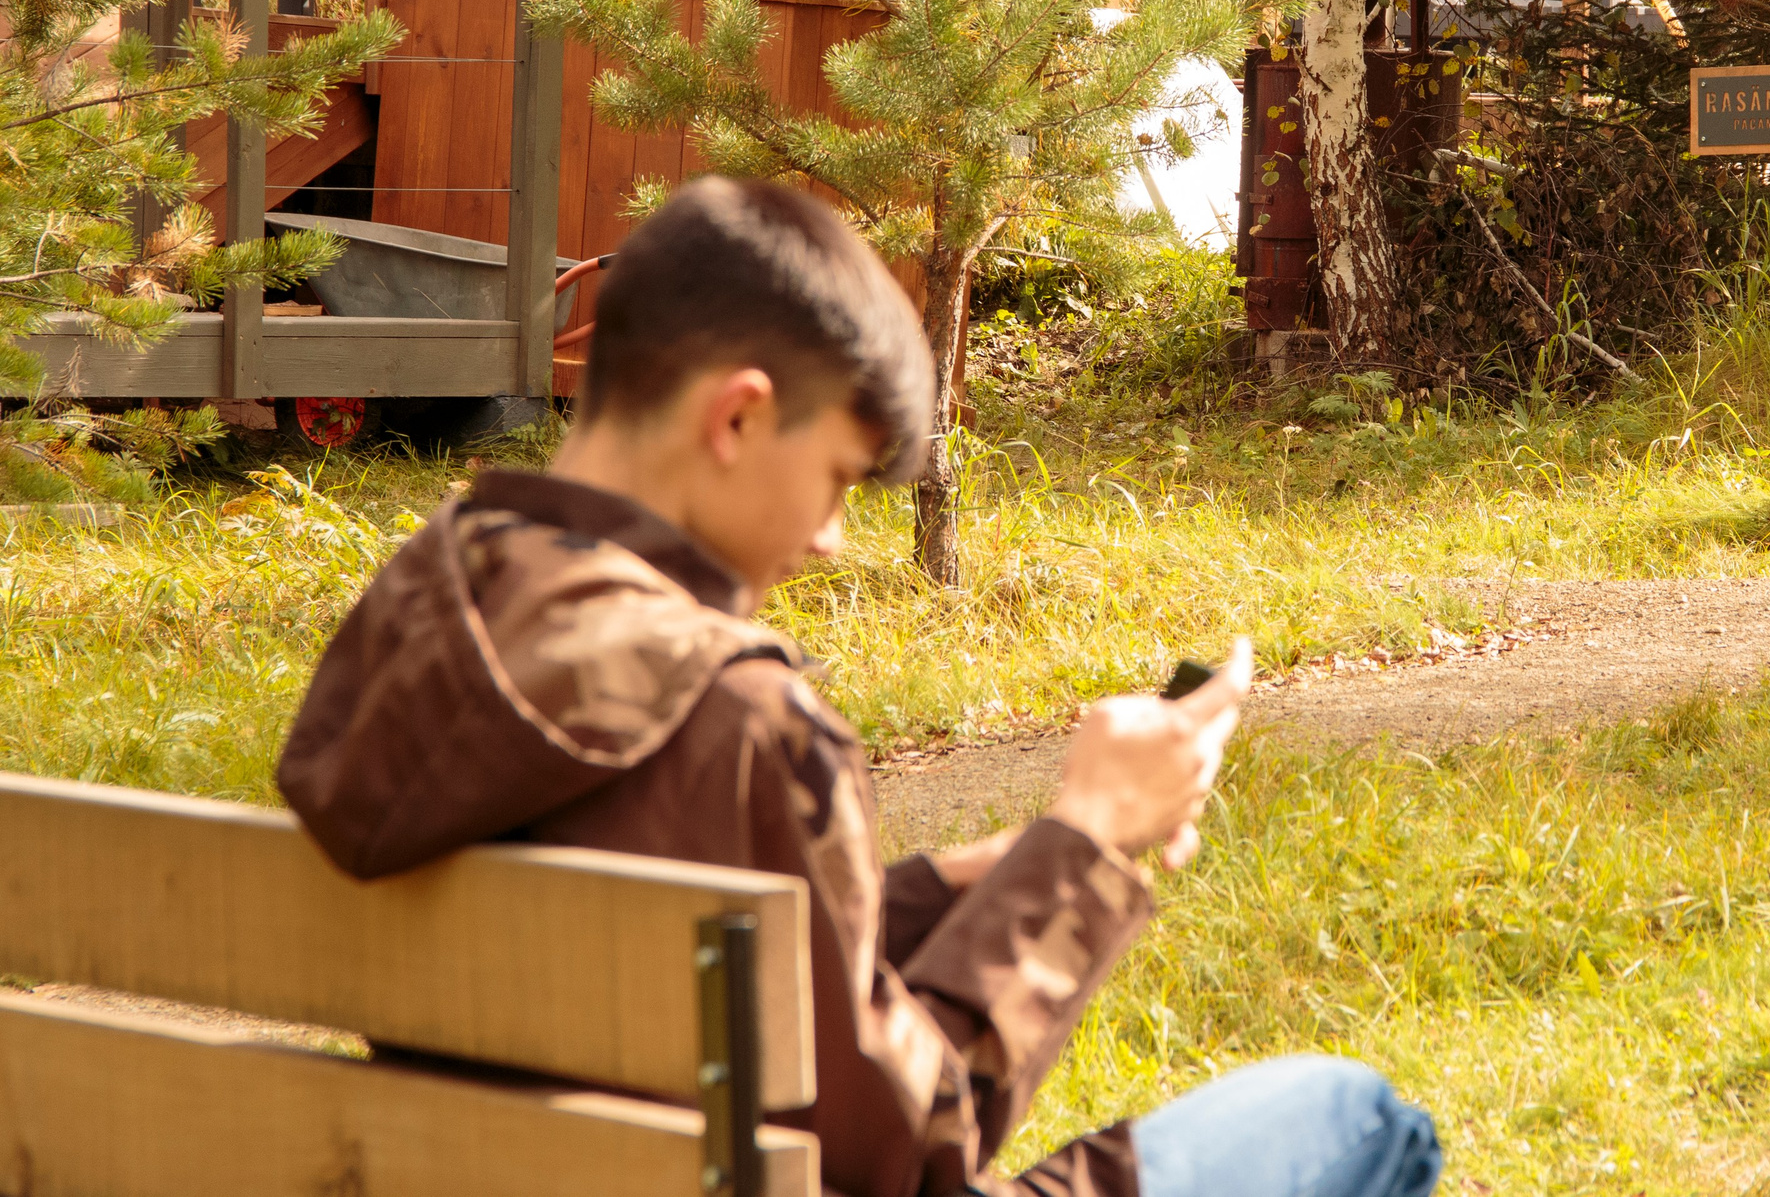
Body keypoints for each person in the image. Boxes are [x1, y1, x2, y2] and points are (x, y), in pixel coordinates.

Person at [276, 176, 1441, 1197]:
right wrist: (1084, 847)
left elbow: (716, 948)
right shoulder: (737, 710)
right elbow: (911, 1154)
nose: (832, 537)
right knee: (1355, 1118)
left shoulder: (430, 612)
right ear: (738, 414)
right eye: (836, 475)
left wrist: (972, 881)